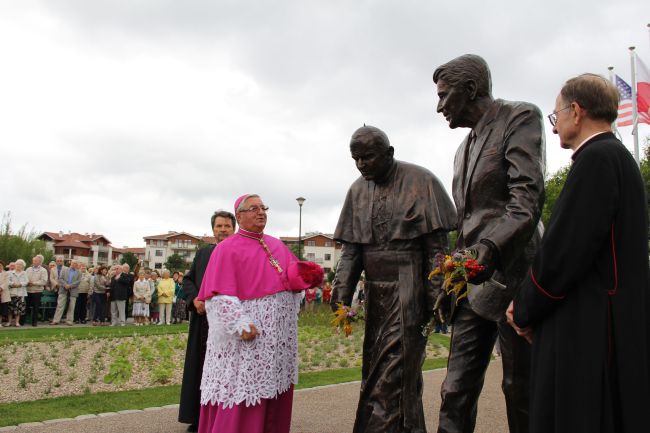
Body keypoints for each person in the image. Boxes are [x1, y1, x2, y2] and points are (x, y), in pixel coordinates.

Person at [507, 73, 650, 433]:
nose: (554, 129)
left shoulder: (597, 160)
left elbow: (563, 253)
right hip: (615, 322)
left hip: (590, 330)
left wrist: (523, 308)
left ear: (576, 110)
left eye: (555, 117)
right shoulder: (618, 158)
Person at [433, 54, 545, 433]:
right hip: (473, 286)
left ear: (471, 89)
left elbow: (526, 200)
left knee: (521, 389)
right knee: (454, 390)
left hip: (516, 275)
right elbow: (468, 223)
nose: (439, 107)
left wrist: (488, 249)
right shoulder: (462, 151)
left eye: (444, 96)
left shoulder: (519, 117)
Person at [331, 125, 456, 433]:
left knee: (396, 373)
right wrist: (341, 295)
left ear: (389, 153)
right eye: (355, 159)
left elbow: (436, 250)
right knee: (374, 371)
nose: (361, 165)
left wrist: (437, 296)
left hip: (408, 288)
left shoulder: (421, 181)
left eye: (368, 157)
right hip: (375, 294)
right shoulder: (357, 191)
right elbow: (351, 253)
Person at [197, 194, 321, 433]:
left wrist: (305, 278)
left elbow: (291, 279)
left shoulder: (277, 244)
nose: (261, 212)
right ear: (239, 216)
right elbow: (218, 294)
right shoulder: (226, 248)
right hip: (246, 342)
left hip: (275, 344)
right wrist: (239, 324)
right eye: (254, 208)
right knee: (242, 391)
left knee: (273, 391)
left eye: (263, 208)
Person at [179, 210, 236, 432]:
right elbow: (188, 280)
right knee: (201, 369)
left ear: (234, 228)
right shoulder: (203, 254)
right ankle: (198, 417)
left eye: (227, 226)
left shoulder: (238, 252)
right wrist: (195, 299)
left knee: (226, 370)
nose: (223, 230)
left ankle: (225, 417)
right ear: (213, 229)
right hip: (203, 323)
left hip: (229, 323)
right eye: (219, 226)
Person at [52, 260, 82, 325]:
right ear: (71, 263)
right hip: (63, 289)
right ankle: (56, 320)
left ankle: (69, 321)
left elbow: (78, 282)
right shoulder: (64, 270)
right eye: (74, 263)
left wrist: (70, 286)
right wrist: (65, 285)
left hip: (73, 291)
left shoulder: (79, 272)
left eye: (76, 264)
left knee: (71, 306)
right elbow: (60, 279)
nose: (75, 265)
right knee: (60, 305)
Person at [25, 254, 48, 326]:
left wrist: (34, 283)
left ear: (40, 262)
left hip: (37, 291)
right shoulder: (28, 269)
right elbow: (24, 278)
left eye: (35, 261)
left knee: (36, 307)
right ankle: (22, 321)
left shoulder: (43, 270)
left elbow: (44, 281)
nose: (33, 262)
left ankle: (34, 322)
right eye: (33, 260)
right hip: (28, 290)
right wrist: (27, 282)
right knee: (26, 306)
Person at [7, 259, 29, 327]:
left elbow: (26, 281)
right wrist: (13, 284)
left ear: (23, 266)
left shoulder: (24, 273)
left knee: (19, 309)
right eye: (17, 264)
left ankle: (17, 322)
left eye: (20, 264)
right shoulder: (10, 273)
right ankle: (9, 322)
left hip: (21, 293)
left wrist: (20, 284)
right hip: (11, 293)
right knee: (10, 309)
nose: (18, 266)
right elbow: (7, 281)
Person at [0, 261, 10, 326]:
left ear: (3, 266)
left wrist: (0, 288)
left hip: (3, 293)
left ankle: (0, 322)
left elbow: (7, 283)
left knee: (1, 310)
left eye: (0, 265)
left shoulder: (6, 273)